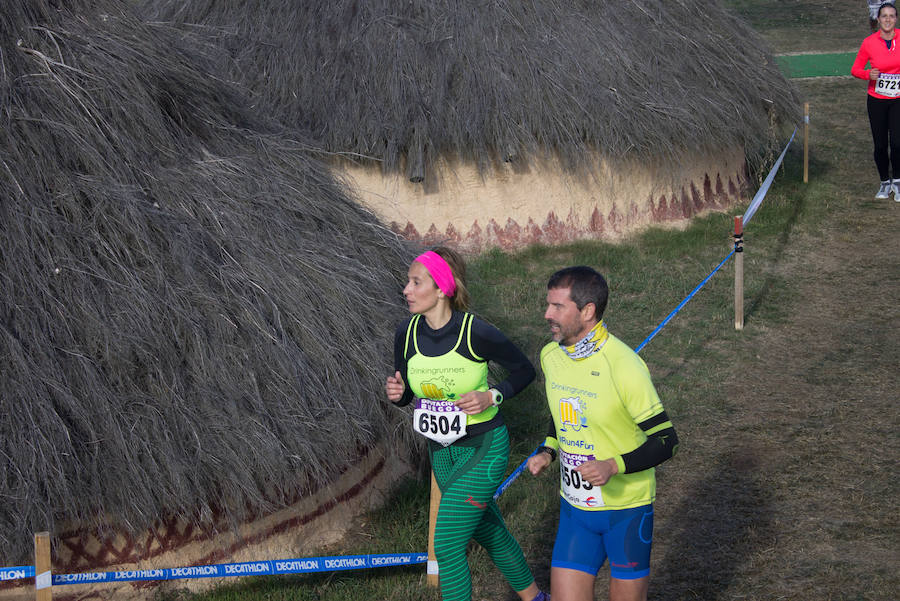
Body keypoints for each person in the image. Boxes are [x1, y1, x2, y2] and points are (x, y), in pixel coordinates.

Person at [385, 246, 548, 601]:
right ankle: (536, 598)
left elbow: (525, 371)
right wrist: (399, 394)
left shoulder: (476, 332)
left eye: (415, 282)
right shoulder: (406, 332)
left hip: (484, 446)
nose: (406, 290)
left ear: (441, 288)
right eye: (407, 283)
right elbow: (410, 393)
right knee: (489, 530)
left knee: (445, 543)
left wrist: (493, 396)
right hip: (442, 451)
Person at [527, 266, 678, 601]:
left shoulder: (624, 366)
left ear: (587, 311)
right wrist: (548, 450)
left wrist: (613, 466)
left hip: (626, 511)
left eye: (557, 307)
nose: (546, 314)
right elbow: (563, 412)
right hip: (575, 512)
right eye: (548, 304)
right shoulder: (551, 356)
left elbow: (667, 441)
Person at [853, 2, 900, 201]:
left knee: (897, 143)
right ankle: (884, 182)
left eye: (891, 16)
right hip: (876, 100)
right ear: (878, 19)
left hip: (898, 99)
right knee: (880, 145)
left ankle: (897, 181)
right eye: (884, 16)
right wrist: (867, 74)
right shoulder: (869, 43)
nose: (888, 19)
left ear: (896, 19)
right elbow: (855, 69)